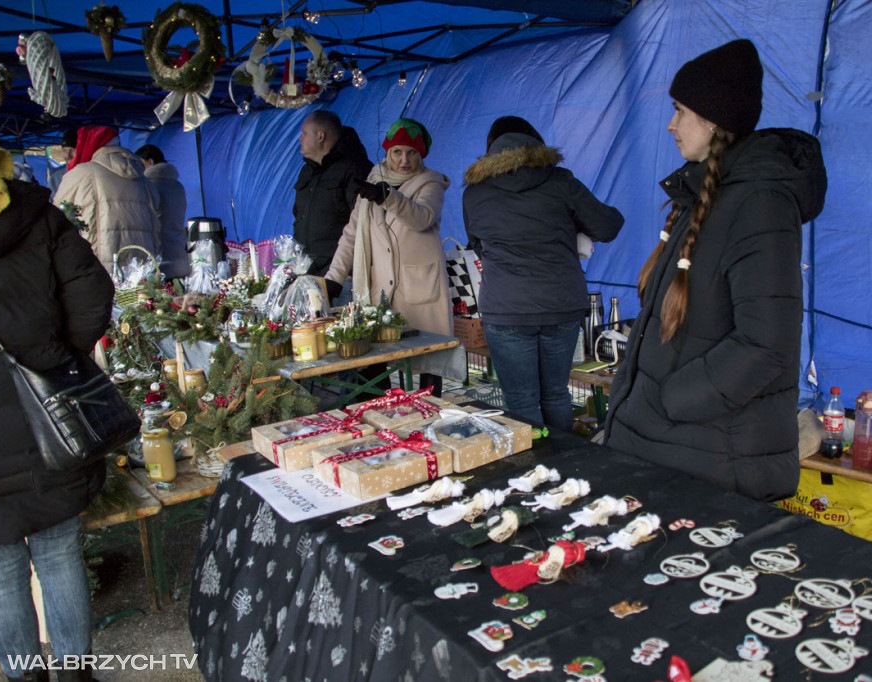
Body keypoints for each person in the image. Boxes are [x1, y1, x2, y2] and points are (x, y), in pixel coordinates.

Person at [603, 39, 827, 502]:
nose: (671, 124)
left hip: (712, 458)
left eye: (680, 111)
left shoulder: (760, 203)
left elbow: (766, 345)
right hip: (670, 447)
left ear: (713, 120)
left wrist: (671, 399)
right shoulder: (706, 191)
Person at [0, 144, 114, 682]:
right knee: (59, 550)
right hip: (50, 408)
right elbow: (93, 290)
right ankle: (74, 674)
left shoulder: (39, 213)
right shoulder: (36, 214)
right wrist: (63, 358)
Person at [462, 116, 624, 431]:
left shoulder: (474, 193)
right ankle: (564, 458)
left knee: (521, 401)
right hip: (561, 304)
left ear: (491, 149)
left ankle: (535, 462)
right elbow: (607, 227)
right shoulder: (562, 182)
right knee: (556, 394)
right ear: (536, 144)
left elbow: (477, 245)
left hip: (506, 306)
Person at [324, 118, 451, 394]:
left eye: (412, 152)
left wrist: (388, 197)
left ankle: (431, 414)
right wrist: (334, 278)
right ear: (387, 152)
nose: (404, 160)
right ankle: (384, 412)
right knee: (375, 362)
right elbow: (352, 233)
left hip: (419, 288)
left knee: (428, 361)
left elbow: (422, 218)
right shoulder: (372, 181)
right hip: (380, 288)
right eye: (397, 152)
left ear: (421, 154)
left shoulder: (431, 182)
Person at [53, 126, 161, 274]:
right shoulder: (145, 181)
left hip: (99, 270)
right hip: (142, 270)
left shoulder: (81, 174)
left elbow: (56, 217)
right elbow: (156, 228)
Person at [293, 110, 373, 284]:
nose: (300, 138)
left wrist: (348, 271)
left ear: (320, 136)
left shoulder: (355, 168)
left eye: (304, 133)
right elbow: (298, 215)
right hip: (308, 270)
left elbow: (363, 223)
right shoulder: (307, 171)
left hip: (342, 275)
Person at [135, 144, 189, 280]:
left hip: (162, 260)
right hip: (181, 255)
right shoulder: (178, 186)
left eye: (140, 164)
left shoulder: (149, 186)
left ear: (150, 162)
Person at [48, 128, 77, 198]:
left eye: (72, 150)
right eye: (64, 150)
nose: (67, 155)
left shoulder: (93, 174)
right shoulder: (56, 178)